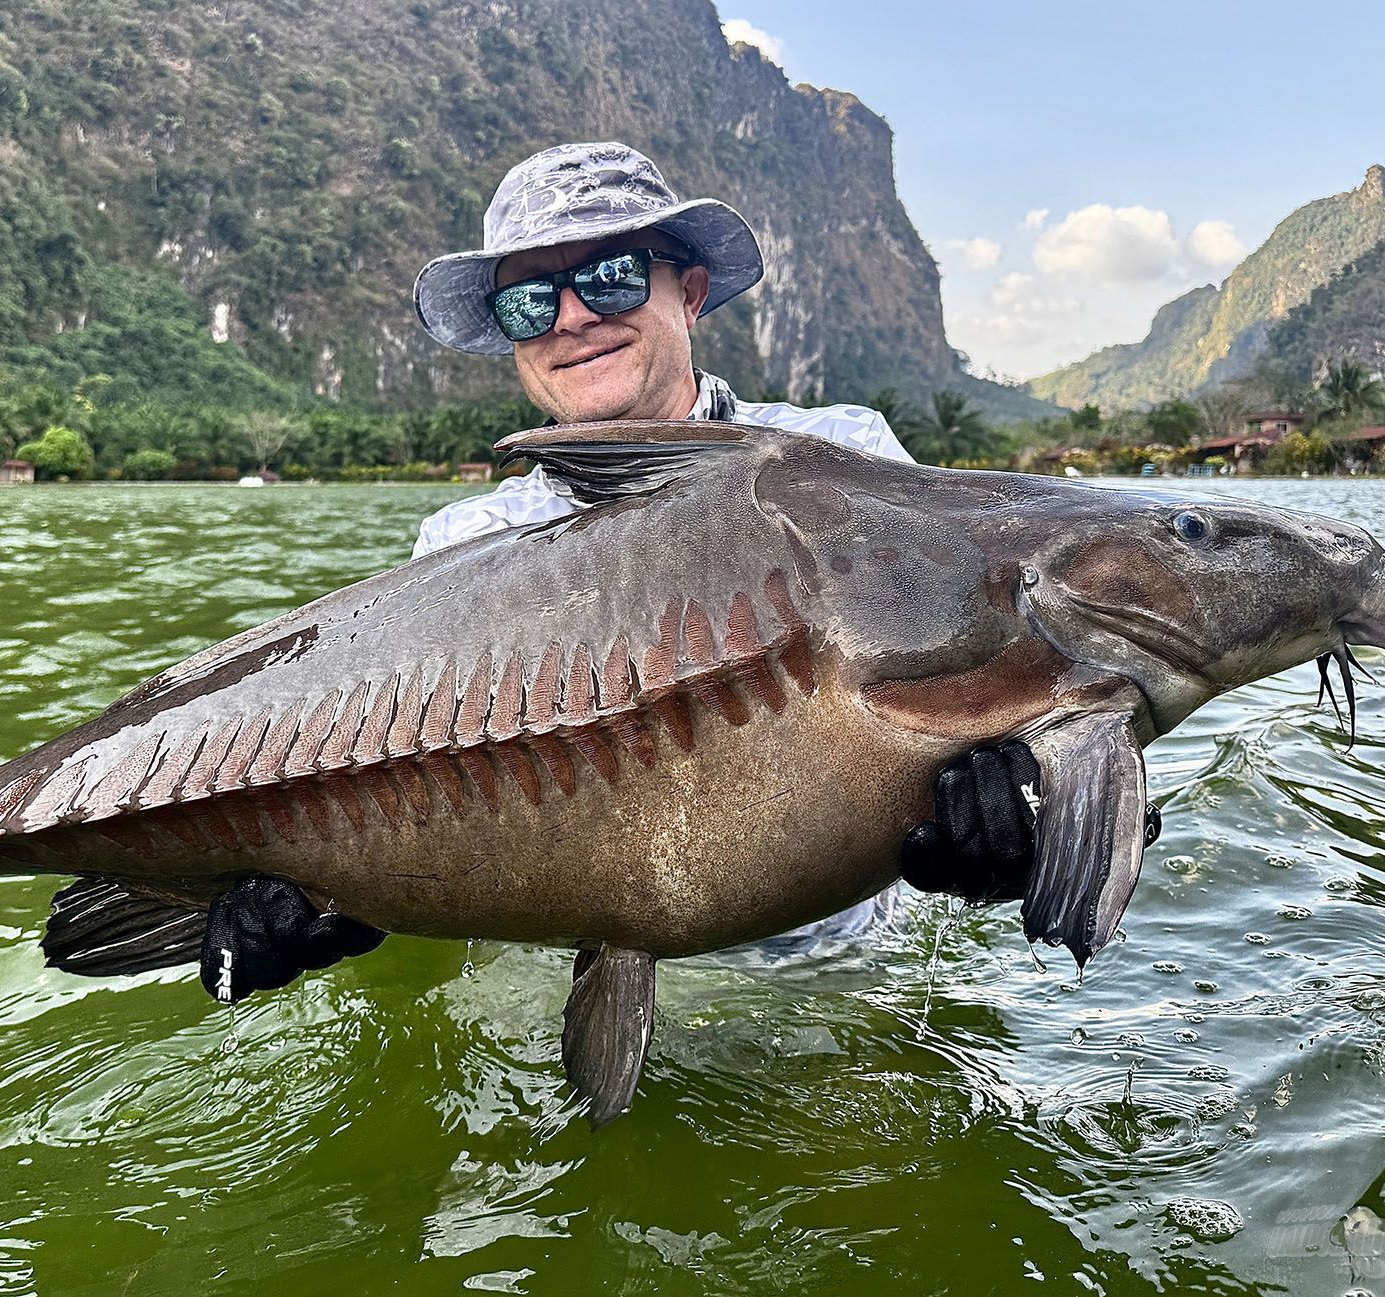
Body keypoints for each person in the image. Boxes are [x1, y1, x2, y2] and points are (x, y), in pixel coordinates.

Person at [202, 142, 1156, 1003]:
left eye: (611, 277)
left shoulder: (847, 460)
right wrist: (332, 900)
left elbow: (1016, 704)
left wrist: (1018, 832)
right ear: (512, 336)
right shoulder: (465, 542)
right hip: (553, 995)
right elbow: (430, 801)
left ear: (689, 291)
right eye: (532, 299)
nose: (573, 318)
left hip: (830, 986)